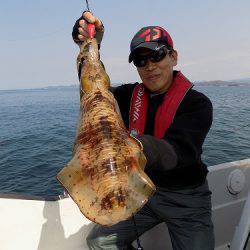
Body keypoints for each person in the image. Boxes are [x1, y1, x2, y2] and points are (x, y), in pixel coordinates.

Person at [72, 11, 215, 250]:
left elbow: (178, 152)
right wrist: (91, 44)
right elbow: (93, 89)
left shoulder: (197, 104)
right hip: (140, 192)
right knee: (99, 242)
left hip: (186, 199)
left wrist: (131, 145)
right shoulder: (127, 96)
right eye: (141, 60)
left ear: (173, 57)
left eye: (157, 55)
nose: (150, 66)